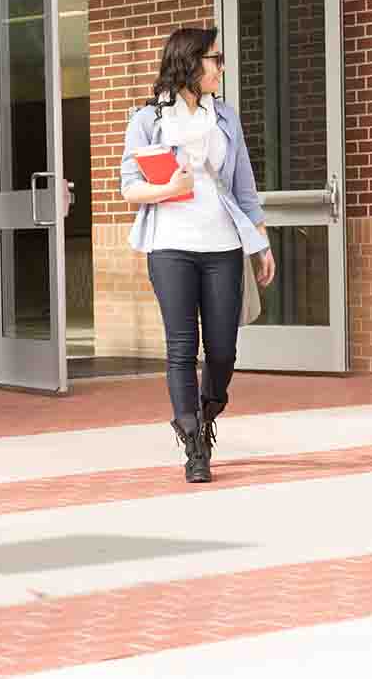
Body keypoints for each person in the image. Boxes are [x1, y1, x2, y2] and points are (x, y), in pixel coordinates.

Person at [120, 27, 276, 483]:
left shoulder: (224, 116)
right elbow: (129, 186)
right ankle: (193, 443)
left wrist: (260, 242)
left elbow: (243, 184)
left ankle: (208, 408)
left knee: (224, 349)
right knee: (182, 347)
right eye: (214, 58)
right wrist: (169, 188)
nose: (220, 66)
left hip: (223, 244)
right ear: (188, 62)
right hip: (170, 246)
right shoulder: (148, 119)